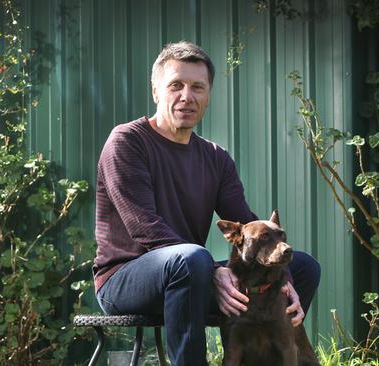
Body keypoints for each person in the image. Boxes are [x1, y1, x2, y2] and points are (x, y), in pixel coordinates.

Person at [93, 41, 321, 365]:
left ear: (208, 95)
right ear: (156, 91)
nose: (187, 96)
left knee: (302, 266)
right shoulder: (127, 142)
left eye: (197, 87)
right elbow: (144, 227)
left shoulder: (215, 158)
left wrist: (286, 281)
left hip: (190, 276)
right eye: (176, 85)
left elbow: (248, 227)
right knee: (192, 260)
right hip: (125, 280)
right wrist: (214, 273)